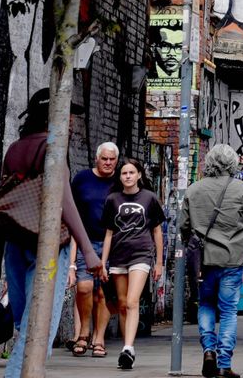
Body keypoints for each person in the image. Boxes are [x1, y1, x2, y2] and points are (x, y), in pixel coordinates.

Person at [0, 88, 105, 378]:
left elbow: (5, 206)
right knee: (39, 329)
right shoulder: (53, 147)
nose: (73, 123)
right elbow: (66, 203)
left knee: (27, 325)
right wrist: (88, 251)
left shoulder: (15, 148)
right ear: (54, 115)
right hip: (47, 247)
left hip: (14, 246)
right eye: (69, 115)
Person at [183, 144, 243, 378]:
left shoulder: (193, 190)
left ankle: (208, 349)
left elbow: (184, 227)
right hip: (232, 260)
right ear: (233, 164)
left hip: (203, 262)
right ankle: (224, 363)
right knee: (229, 311)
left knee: (206, 304)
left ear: (209, 163)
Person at [98, 157, 165, 371]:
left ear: (139, 175)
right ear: (120, 177)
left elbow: (157, 231)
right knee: (123, 303)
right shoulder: (112, 200)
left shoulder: (149, 198)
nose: (127, 176)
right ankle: (128, 346)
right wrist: (103, 262)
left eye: (131, 173)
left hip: (142, 254)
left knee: (133, 301)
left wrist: (159, 263)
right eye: (124, 173)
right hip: (118, 256)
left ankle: (128, 348)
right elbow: (108, 233)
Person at [69, 142, 120, 358]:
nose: (108, 163)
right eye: (104, 159)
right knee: (84, 287)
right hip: (85, 242)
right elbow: (71, 213)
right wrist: (71, 260)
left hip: (112, 243)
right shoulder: (82, 179)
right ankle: (83, 332)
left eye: (112, 159)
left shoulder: (120, 182)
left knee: (103, 293)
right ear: (97, 159)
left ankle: (98, 339)